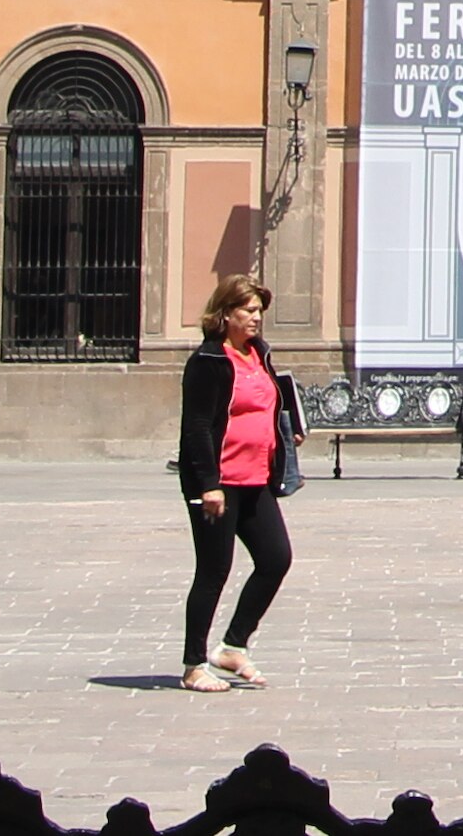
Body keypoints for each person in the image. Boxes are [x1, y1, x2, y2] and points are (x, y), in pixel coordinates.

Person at [173, 275, 293, 694]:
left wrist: (285, 433)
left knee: (276, 558)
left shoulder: (258, 354)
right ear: (225, 314)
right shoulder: (208, 362)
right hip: (218, 483)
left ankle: (233, 645)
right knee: (213, 571)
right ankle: (193, 665)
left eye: (259, 310)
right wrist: (208, 484)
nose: (256, 318)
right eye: (248, 310)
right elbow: (197, 427)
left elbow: (269, 402)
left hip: (256, 478)